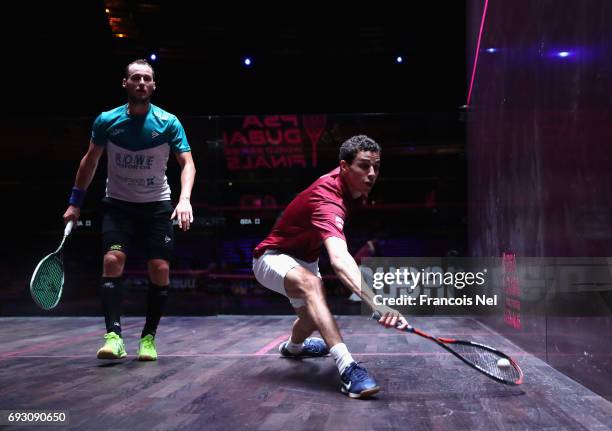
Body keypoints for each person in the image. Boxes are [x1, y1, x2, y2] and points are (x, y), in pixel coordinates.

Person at [252, 135, 407, 399]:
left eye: (376, 167)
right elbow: (339, 258)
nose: (372, 174)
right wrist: (375, 302)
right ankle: (348, 368)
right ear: (344, 167)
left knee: (311, 319)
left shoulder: (349, 187)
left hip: (306, 259)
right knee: (313, 286)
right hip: (272, 257)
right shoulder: (327, 198)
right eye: (364, 166)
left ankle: (293, 348)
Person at [62, 59, 195, 361]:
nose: (141, 83)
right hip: (119, 205)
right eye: (135, 78)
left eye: (147, 78)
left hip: (157, 206)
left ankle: (148, 339)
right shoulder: (107, 121)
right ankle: (114, 337)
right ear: (125, 84)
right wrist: (74, 203)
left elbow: (187, 163)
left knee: (159, 269)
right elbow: (90, 161)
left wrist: (184, 199)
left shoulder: (168, 122)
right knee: (112, 260)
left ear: (154, 85)